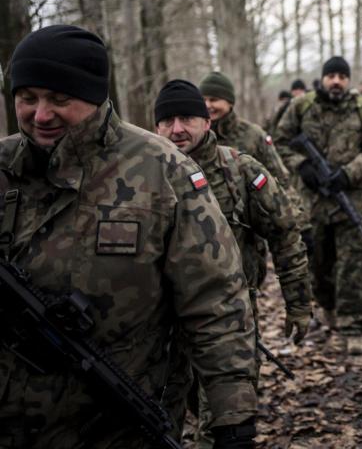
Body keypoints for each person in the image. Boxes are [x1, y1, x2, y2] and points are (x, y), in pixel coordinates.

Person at [0, 26, 257, 449]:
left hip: (121, 426)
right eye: (28, 98)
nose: (41, 114)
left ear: (95, 96)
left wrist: (233, 418)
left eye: (59, 99)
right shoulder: (5, 166)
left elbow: (216, 299)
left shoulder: (162, 171)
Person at [153, 80, 312, 446]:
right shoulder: (139, 175)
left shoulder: (238, 169)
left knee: (222, 430)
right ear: (155, 127)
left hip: (229, 320)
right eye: (167, 121)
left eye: (187, 118)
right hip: (158, 327)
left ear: (207, 122)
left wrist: (299, 302)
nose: (177, 129)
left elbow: (285, 232)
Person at [273, 56, 362, 356]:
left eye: (342, 76)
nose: (336, 81)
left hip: (350, 201)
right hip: (313, 203)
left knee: (352, 266)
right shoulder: (302, 106)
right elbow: (280, 141)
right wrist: (302, 165)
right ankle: (330, 311)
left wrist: (349, 173)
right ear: (323, 78)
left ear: (348, 80)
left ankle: (354, 326)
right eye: (331, 75)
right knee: (318, 264)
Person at [199, 71, 289, 183]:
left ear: (230, 102)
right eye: (203, 100)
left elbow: (280, 178)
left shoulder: (253, 135)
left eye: (213, 100)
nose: (207, 105)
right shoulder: (195, 135)